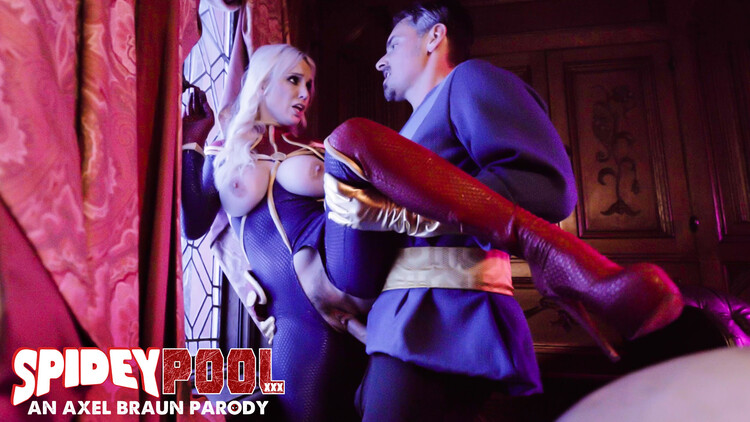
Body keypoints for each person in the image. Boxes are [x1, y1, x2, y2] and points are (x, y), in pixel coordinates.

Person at [315, 1, 684, 420]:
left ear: (435, 36)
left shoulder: (468, 80)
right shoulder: (403, 134)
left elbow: (548, 188)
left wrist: (411, 209)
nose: (380, 60)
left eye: (393, 44)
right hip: (395, 315)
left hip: (444, 318)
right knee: (343, 151)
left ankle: (552, 252)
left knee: (348, 138)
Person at [181, 44, 401, 421]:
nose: (305, 93)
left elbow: (362, 204)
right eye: (294, 80)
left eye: (309, 85)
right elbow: (194, 224)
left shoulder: (319, 149)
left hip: (345, 281)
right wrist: (193, 142)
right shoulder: (225, 151)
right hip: (296, 319)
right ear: (263, 82)